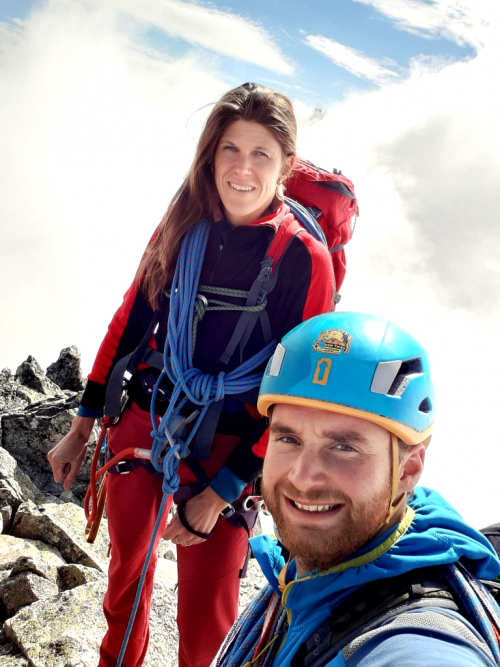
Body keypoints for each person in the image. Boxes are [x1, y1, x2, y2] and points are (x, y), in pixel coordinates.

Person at [47, 82, 334, 667]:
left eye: (261, 154)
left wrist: (221, 493)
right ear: (211, 153)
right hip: (148, 416)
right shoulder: (183, 222)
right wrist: (82, 425)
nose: (243, 168)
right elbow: (133, 318)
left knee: (208, 616)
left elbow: (300, 396)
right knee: (126, 581)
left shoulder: (306, 258)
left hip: (233, 445)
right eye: (230, 149)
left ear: (285, 166)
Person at [213, 312, 500, 667]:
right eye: (288, 438)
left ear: (407, 471)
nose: (303, 478)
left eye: (344, 448)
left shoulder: (416, 644)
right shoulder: (304, 575)